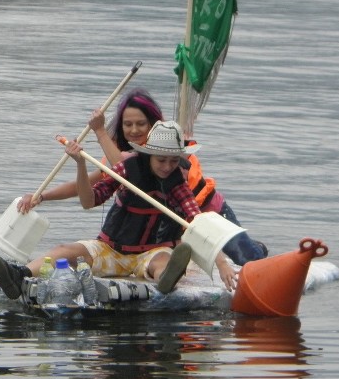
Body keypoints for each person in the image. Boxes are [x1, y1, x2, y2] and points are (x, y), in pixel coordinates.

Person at [0, 120, 237, 299]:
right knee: (64, 252)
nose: (168, 167)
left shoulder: (177, 183)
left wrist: (222, 263)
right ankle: (18, 275)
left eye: (174, 160)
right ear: (149, 155)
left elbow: (199, 222)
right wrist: (80, 165)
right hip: (110, 249)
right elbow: (89, 201)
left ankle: (165, 281)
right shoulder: (127, 169)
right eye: (162, 160)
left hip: (148, 253)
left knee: (164, 261)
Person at [16, 88, 267, 265]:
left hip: (206, 212)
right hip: (171, 222)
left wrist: (100, 131)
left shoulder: (171, 154)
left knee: (248, 259)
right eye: (128, 125)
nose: (134, 130)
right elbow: (91, 185)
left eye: (141, 124)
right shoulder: (121, 156)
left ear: (153, 125)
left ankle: (258, 248)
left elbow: (131, 174)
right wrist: (41, 196)